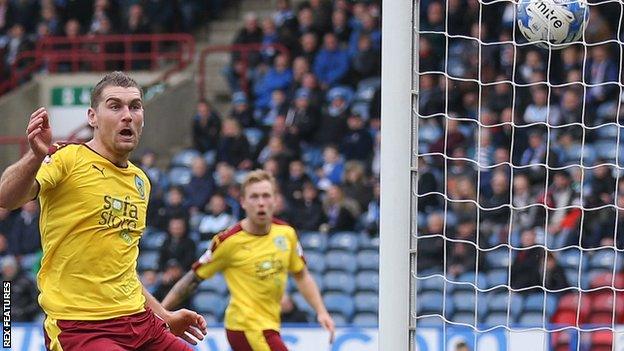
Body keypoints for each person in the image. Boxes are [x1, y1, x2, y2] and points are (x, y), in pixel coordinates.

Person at [0, 72, 207, 350]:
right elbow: (6, 197)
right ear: (92, 117)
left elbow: (122, 269)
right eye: (115, 106)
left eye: (135, 106)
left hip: (140, 322)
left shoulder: (140, 182)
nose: (127, 115)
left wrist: (165, 316)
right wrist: (35, 156)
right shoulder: (67, 158)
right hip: (82, 327)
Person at [163, 169, 335, 351]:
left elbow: (301, 275)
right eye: (254, 197)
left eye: (266, 196)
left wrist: (321, 311)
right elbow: (192, 279)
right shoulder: (228, 241)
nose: (261, 203)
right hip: (245, 327)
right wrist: (163, 314)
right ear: (243, 202)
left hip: (269, 325)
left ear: (275, 200)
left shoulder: (286, 234)